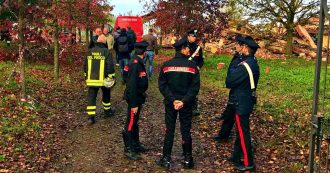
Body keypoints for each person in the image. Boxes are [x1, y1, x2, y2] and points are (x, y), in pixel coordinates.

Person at [156, 37, 200, 169]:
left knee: (169, 129)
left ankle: (166, 159)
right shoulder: (193, 67)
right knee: (185, 130)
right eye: (188, 48)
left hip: (171, 104)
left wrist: (172, 99)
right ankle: (188, 159)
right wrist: (183, 101)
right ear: (184, 49)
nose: (189, 51)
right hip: (186, 105)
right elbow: (195, 87)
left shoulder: (166, 65)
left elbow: (162, 85)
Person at [225, 36, 260, 171]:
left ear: (246, 48)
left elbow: (229, 81)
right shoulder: (252, 62)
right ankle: (236, 155)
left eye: (241, 46)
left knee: (243, 132)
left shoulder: (245, 65)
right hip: (246, 100)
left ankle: (248, 162)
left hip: (242, 102)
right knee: (240, 131)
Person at [213, 35, 246, 142]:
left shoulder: (244, 58)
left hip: (239, 90)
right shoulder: (237, 56)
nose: (235, 46)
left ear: (242, 46)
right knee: (229, 113)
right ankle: (223, 135)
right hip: (234, 89)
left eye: (237, 44)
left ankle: (234, 139)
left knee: (234, 114)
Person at [122, 41, 149, 160]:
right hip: (134, 99)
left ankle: (136, 144)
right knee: (130, 123)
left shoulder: (137, 61)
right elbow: (131, 85)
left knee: (135, 122)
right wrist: (133, 104)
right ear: (144, 52)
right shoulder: (135, 63)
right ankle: (128, 149)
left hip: (138, 97)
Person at [84, 34, 116, 124]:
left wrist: (86, 77)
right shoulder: (106, 52)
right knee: (106, 95)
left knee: (91, 98)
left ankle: (91, 118)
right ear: (105, 42)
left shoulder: (89, 51)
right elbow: (110, 66)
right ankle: (107, 112)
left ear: (97, 41)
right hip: (104, 80)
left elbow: (85, 66)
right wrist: (111, 77)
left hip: (91, 80)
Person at [187, 29, 203, 116]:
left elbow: (201, 60)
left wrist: (199, 66)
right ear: (188, 36)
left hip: (195, 72)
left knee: (195, 88)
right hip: (185, 72)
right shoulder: (183, 46)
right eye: (193, 36)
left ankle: (194, 107)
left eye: (195, 36)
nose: (194, 38)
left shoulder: (198, 48)